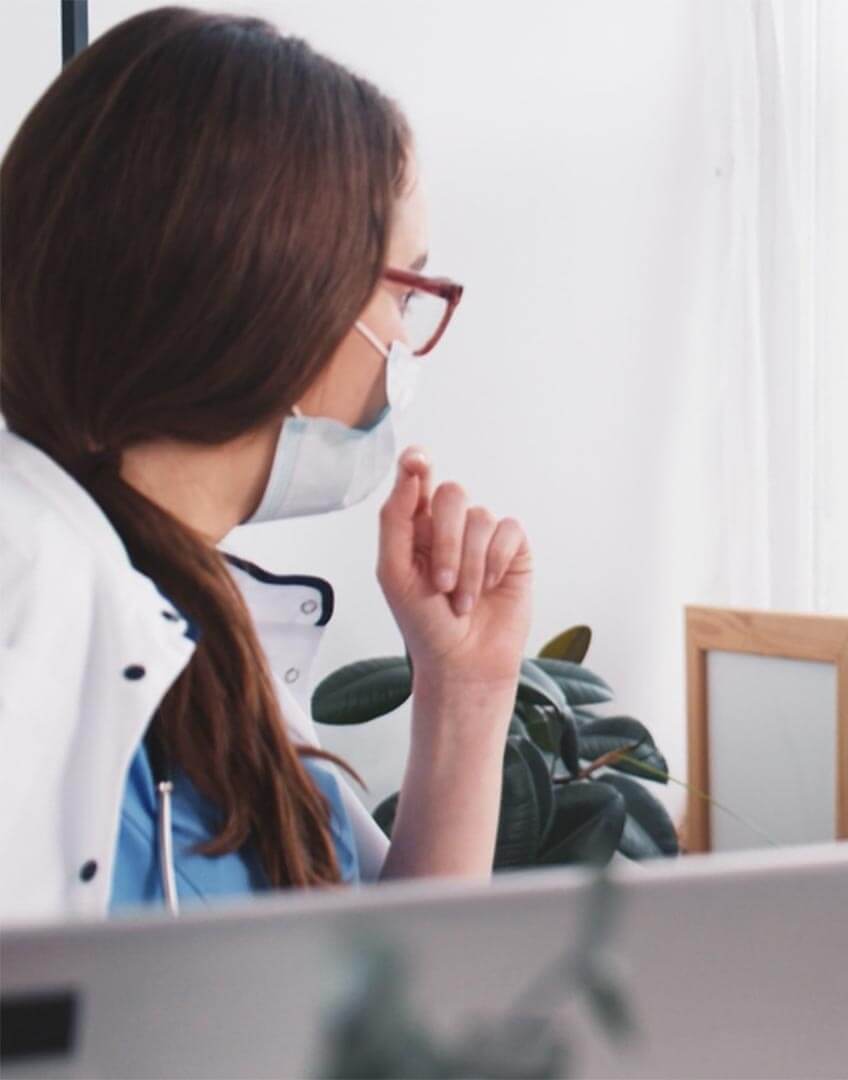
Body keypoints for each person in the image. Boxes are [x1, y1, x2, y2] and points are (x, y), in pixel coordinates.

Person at [0, 7, 531, 923]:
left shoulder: (200, 622)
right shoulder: (27, 582)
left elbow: (383, 1007)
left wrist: (467, 693)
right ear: (280, 291)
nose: (405, 345)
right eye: (407, 291)